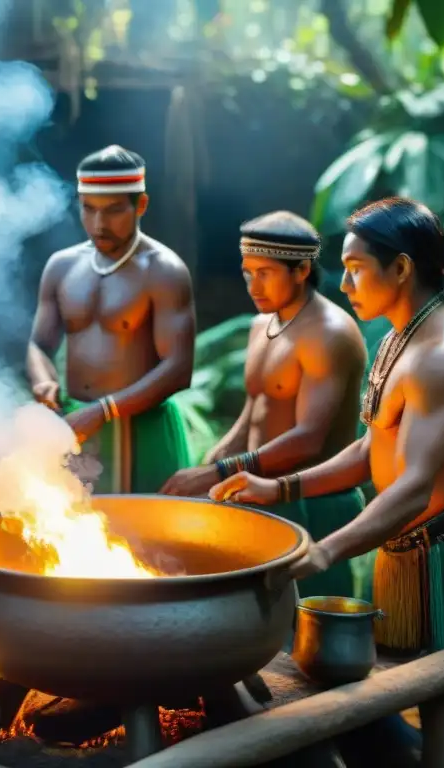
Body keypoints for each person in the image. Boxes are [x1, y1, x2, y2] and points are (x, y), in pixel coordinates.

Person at [211, 197, 444, 765]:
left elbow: (414, 485)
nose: (343, 283)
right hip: (408, 555)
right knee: (415, 708)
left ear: (402, 268)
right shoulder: (396, 338)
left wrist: (325, 551)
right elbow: (372, 448)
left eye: (356, 267)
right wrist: (279, 488)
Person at [161, 211, 368, 599]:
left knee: (309, 634)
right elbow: (256, 407)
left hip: (312, 503)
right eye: (247, 273)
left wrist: (222, 470)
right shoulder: (263, 324)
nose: (253, 286)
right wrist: (216, 458)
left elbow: (308, 439)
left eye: (265, 273)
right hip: (258, 491)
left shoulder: (330, 334)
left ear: (302, 270)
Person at [27, 145, 195, 493]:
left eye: (114, 211)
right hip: (77, 425)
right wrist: (43, 380)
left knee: (149, 540)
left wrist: (103, 411)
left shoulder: (164, 270)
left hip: (144, 431)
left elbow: (178, 368)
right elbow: (38, 345)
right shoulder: (62, 266)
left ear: (141, 206)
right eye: (88, 209)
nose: (99, 224)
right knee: (73, 535)